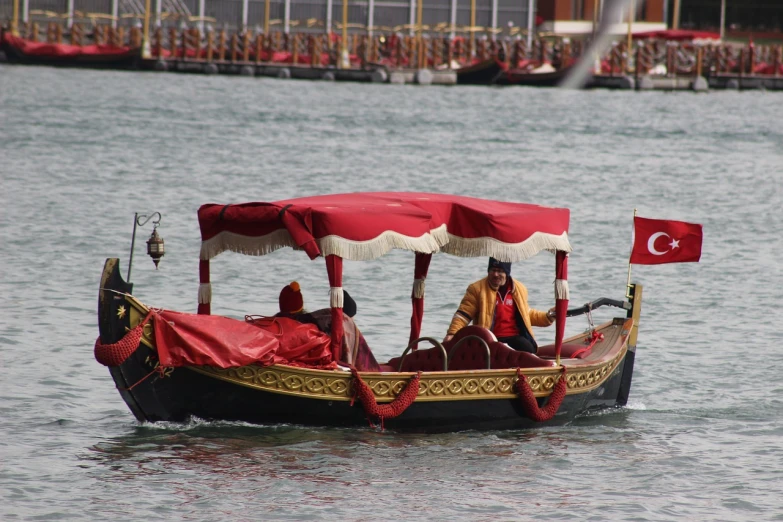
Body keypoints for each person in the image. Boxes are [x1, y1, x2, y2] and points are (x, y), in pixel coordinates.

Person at [443, 257, 555, 354]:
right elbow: (463, 315)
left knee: (528, 347)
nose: (496, 274)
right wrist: (452, 334)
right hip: (490, 338)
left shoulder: (520, 289)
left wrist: (548, 316)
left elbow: (528, 314)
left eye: (500, 271)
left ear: (507, 273)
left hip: (514, 337)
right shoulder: (476, 289)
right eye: (493, 270)